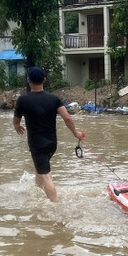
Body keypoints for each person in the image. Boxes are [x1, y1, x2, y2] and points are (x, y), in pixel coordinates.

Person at [13, 66, 84, 202]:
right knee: (40, 169)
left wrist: (17, 126)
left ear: (29, 80)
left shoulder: (23, 100)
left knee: (46, 175)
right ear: (44, 80)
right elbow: (67, 118)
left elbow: (16, 120)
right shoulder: (54, 99)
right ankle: (37, 193)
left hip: (37, 145)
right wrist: (76, 133)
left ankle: (55, 204)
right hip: (52, 144)